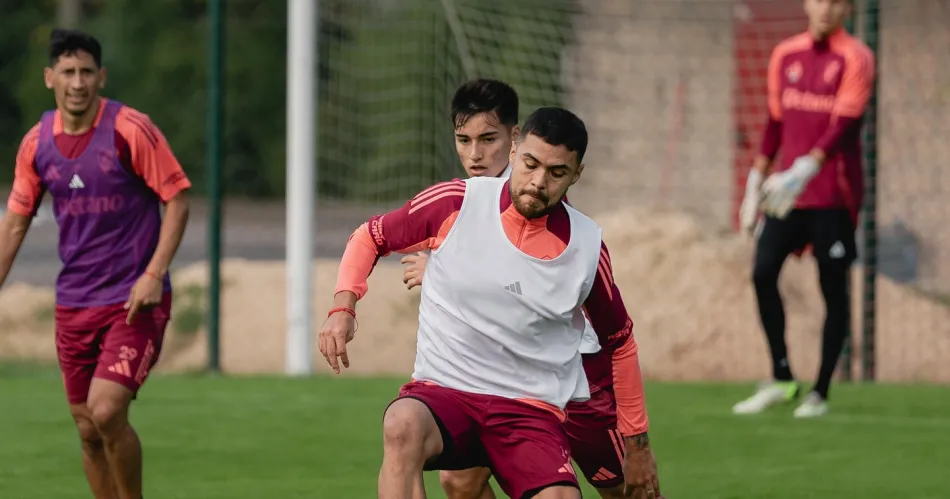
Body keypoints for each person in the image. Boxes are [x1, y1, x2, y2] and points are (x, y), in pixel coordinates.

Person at [319, 107, 661, 499]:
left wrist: (639, 446)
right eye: (530, 163)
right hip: (446, 394)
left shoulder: (587, 248)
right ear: (514, 149)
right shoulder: (456, 202)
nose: (537, 182)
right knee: (403, 425)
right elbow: (370, 236)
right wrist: (342, 309)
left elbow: (620, 342)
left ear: (576, 175)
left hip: (530, 413)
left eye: (556, 173)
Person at [400, 79, 636, 499]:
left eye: (487, 139)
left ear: (513, 141)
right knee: (459, 479)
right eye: (464, 140)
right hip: (511, 382)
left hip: (575, 370)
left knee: (626, 488)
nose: (475, 154)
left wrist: (441, 269)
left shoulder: (534, 191)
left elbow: (522, 270)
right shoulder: (473, 198)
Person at [0, 29, 191, 498]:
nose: (78, 81)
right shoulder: (35, 145)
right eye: (68, 71)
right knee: (87, 429)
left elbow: (179, 199)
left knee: (106, 410)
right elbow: (15, 225)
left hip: (133, 301)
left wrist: (152, 274)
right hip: (74, 304)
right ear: (50, 78)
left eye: (87, 71)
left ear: (101, 76)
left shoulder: (130, 129)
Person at [735, 0, 875, 418]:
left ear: (847, 10)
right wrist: (755, 181)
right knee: (762, 273)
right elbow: (776, 122)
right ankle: (782, 377)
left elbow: (843, 125)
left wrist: (807, 167)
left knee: (833, 290)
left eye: (836, 2)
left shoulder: (856, 57)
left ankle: (821, 391)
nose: (825, 8)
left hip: (834, 194)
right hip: (786, 196)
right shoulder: (785, 54)